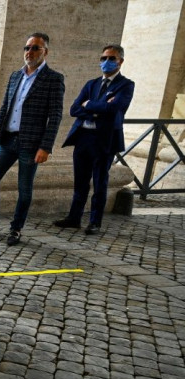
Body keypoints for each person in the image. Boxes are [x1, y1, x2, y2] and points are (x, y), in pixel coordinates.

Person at [0, 32, 65, 245]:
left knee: (24, 190)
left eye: (35, 48)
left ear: (45, 52)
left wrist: (46, 147)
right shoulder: (16, 76)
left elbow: (56, 116)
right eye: (27, 48)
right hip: (8, 140)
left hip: (31, 145)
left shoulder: (54, 79)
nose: (29, 52)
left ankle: (16, 228)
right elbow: (4, 108)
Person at [54, 44, 134, 235]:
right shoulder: (92, 84)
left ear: (120, 61)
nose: (106, 62)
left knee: (100, 183)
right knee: (80, 182)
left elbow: (115, 108)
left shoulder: (126, 85)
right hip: (83, 138)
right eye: (103, 58)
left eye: (111, 58)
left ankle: (95, 222)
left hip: (104, 141)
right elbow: (74, 109)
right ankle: (74, 218)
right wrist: (97, 109)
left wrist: (88, 104)